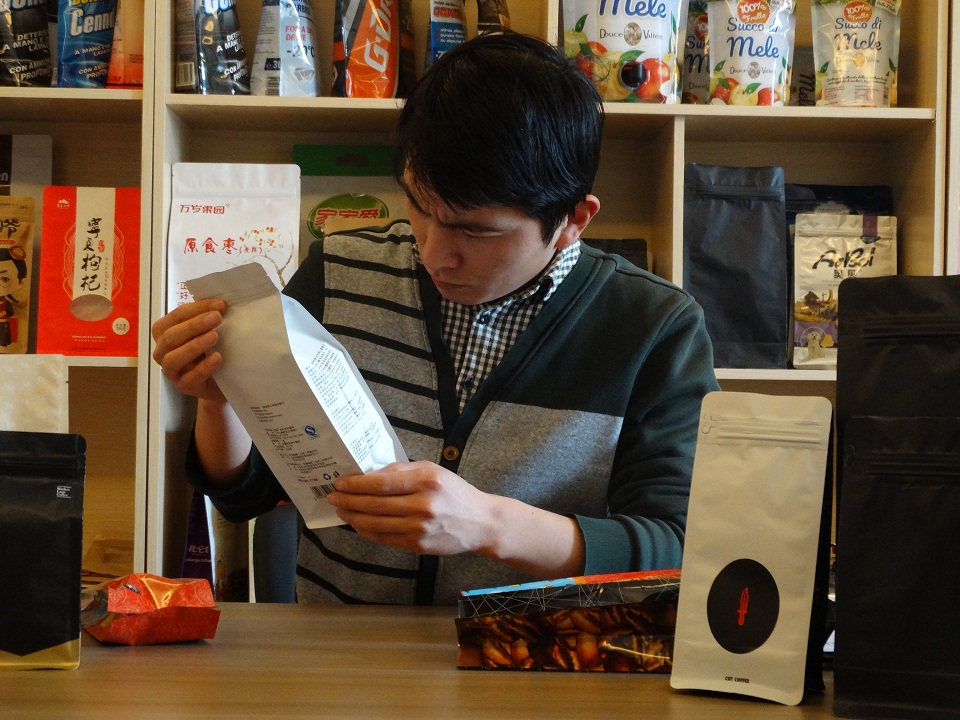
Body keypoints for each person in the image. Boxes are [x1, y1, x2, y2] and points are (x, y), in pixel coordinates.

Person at [151, 31, 720, 605]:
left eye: (476, 231)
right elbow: (246, 496)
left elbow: (678, 548)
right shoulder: (340, 271)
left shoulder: (653, 327)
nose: (434, 254)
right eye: (419, 209)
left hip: (530, 654)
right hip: (340, 651)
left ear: (573, 220)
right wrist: (221, 399)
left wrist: (489, 524)